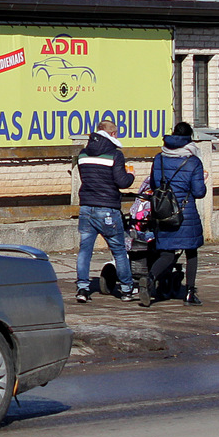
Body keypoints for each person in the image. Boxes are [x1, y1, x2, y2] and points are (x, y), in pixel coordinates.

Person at [139, 122, 208, 307]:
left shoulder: (160, 158)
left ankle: (150, 278)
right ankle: (190, 293)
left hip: (163, 212)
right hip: (185, 214)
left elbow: (154, 185)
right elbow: (199, 192)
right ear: (189, 138)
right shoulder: (193, 161)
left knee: (167, 253)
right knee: (191, 251)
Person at [75, 119, 137, 303]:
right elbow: (122, 182)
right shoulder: (114, 155)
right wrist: (131, 174)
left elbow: (86, 177)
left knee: (85, 250)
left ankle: (82, 289)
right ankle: (126, 289)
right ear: (112, 134)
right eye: (116, 133)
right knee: (118, 249)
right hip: (108, 208)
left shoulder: (83, 154)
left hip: (86, 207)